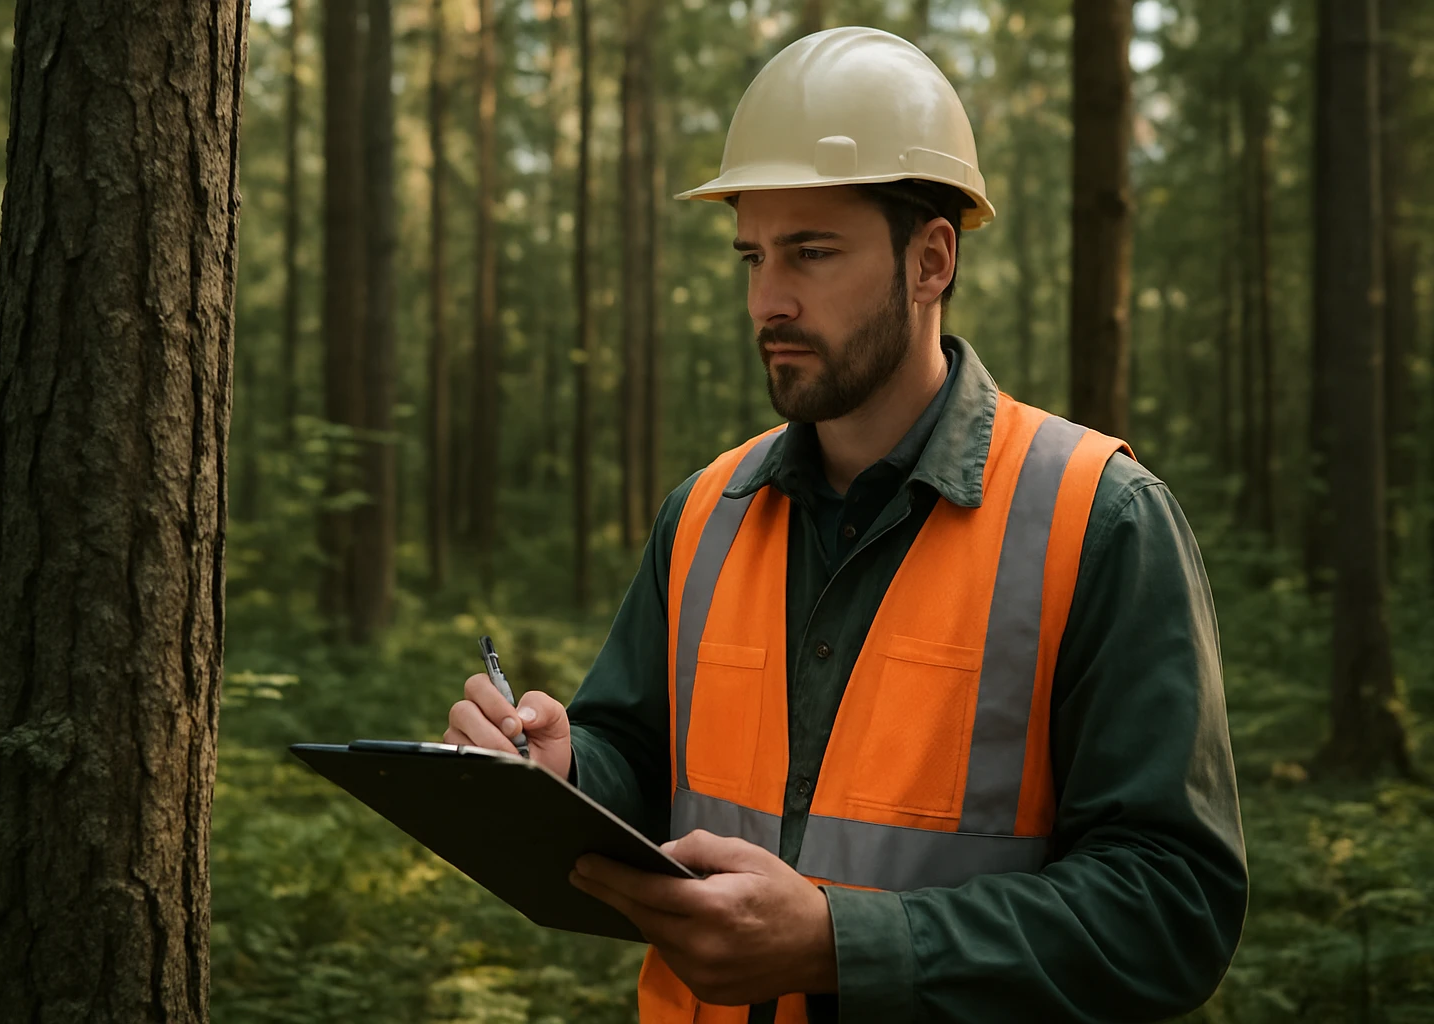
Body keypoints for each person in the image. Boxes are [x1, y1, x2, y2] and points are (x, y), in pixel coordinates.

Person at [445, 25, 1247, 1024]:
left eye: (813, 253)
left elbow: (1173, 907)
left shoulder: (1100, 518)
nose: (767, 300)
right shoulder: (703, 515)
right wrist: (564, 770)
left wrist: (840, 943)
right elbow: (643, 771)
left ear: (931, 260)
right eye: (753, 256)